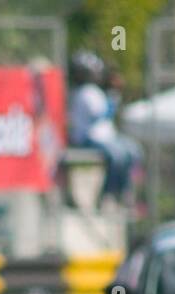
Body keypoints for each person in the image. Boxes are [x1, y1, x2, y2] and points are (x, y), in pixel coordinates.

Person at [67, 52, 140, 204]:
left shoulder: (95, 91)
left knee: (134, 151)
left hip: (105, 137)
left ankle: (123, 190)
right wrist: (113, 96)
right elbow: (100, 114)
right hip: (89, 138)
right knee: (117, 156)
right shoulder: (86, 92)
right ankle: (108, 193)